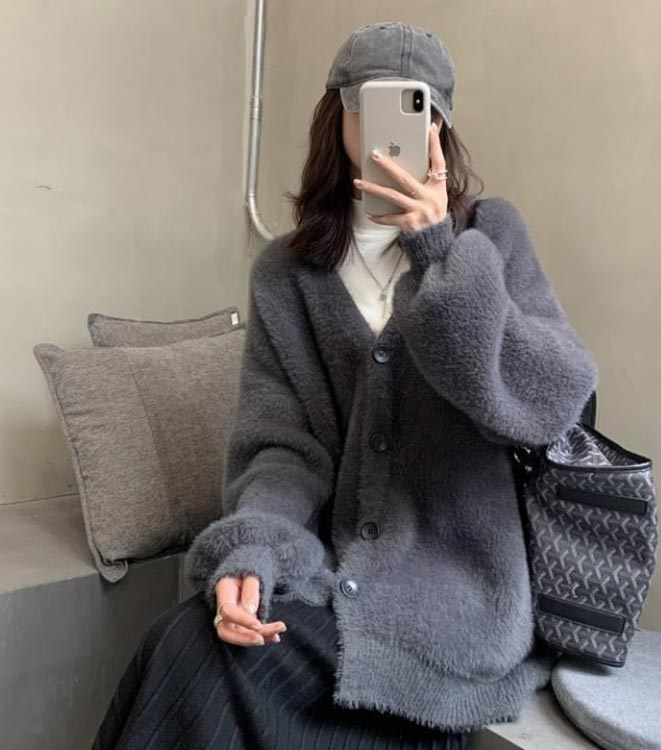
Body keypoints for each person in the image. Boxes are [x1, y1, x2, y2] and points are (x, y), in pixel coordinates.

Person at [92, 21, 598, 750]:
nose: (394, 129)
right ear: (338, 116)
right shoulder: (287, 274)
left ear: (441, 124)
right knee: (184, 641)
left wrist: (438, 254)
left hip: (453, 594)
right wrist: (256, 548)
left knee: (207, 664)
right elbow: (282, 449)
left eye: (416, 107)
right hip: (332, 576)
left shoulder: (490, 237)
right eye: (373, 105)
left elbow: (548, 400)